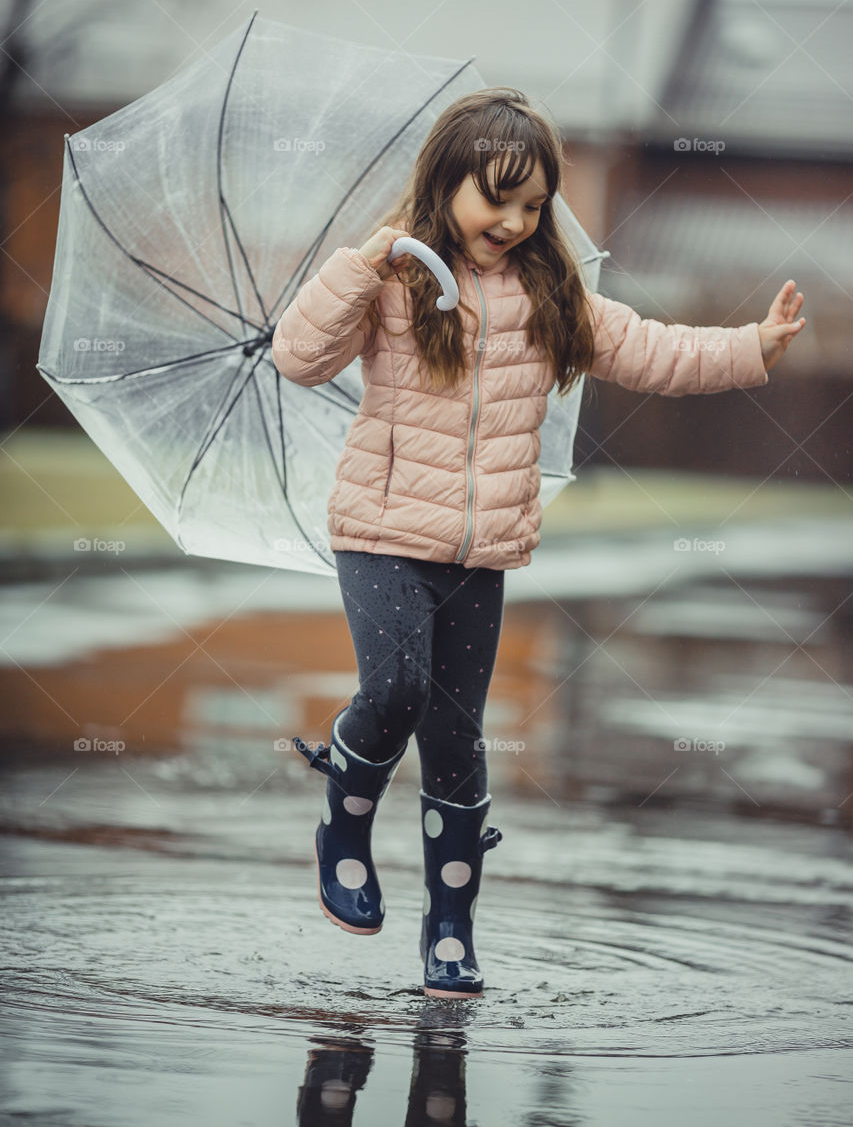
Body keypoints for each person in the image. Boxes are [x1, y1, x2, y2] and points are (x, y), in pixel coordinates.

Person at [271, 87, 806, 1000]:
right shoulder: (390, 279)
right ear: (445, 186)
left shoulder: (547, 292)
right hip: (380, 531)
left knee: (456, 740)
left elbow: (650, 349)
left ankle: (449, 929)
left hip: (481, 552)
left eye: (533, 205)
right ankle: (345, 825)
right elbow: (297, 354)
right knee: (395, 686)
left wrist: (751, 346)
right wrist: (362, 264)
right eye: (497, 199)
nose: (515, 221)